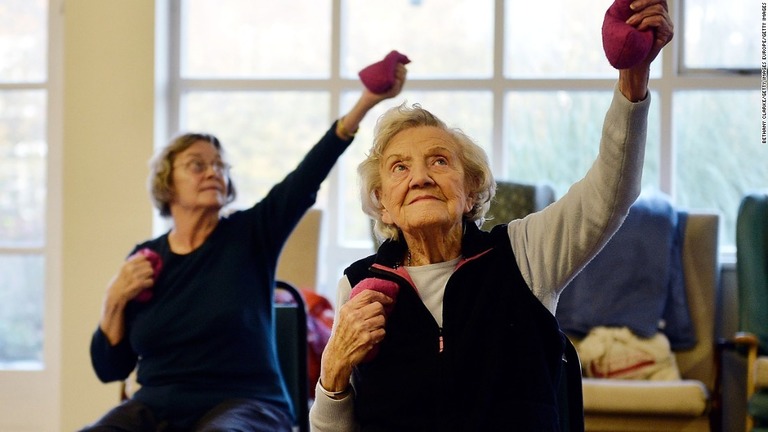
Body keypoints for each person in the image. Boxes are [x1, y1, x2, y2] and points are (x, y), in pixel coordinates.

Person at [309, 1, 673, 431]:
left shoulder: (523, 254)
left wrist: (633, 77)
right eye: (400, 168)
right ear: (383, 202)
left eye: (440, 161)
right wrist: (331, 375)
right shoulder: (359, 283)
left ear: (472, 191)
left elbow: (610, 193)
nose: (421, 177)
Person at [80, 62, 407, 431]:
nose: (213, 172)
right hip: (155, 408)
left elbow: (306, 177)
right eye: (197, 165)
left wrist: (364, 103)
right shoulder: (146, 260)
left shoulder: (250, 234)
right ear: (166, 182)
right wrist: (114, 299)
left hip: (248, 404)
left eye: (220, 166)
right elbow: (110, 369)